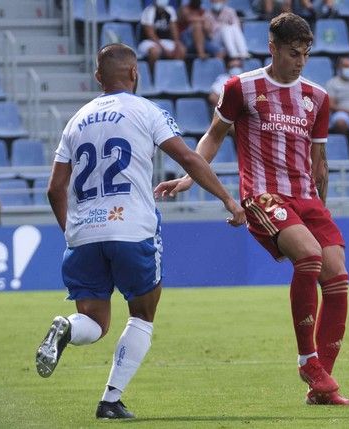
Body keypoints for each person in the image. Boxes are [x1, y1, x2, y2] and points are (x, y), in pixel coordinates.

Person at [35, 43, 245, 419]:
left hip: (83, 235)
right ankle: (110, 400)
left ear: (98, 78)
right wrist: (228, 201)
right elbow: (187, 157)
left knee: (94, 322)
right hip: (131, 228)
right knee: (142, 315)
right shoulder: (146, 110)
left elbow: (54, 189)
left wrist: (71, 230)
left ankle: (66, 327)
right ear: (134, 74)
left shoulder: (75, 120)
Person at [156, 13, 349, 406]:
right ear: (273, 47)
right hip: (263, 195)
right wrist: (190, 177)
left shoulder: (317, 96)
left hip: (307, 200)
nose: (300, 61)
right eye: (294, 53)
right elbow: (214, 136)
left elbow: (320, 161)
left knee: (338, 281)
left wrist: (321, 209)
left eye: (306, 55)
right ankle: (308, 360)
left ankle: (322, 384)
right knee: (309, 257)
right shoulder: (241, 88)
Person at [138, 0, 186, 73]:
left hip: (165, 40)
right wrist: (164, 48)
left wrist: (177, 44)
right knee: (155, 51)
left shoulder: (170, 10)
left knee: (181, 50)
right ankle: (153, 75)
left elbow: (174, 30)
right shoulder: (148, 11)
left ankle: (172, 75)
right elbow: (151, 34)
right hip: (149, 42)